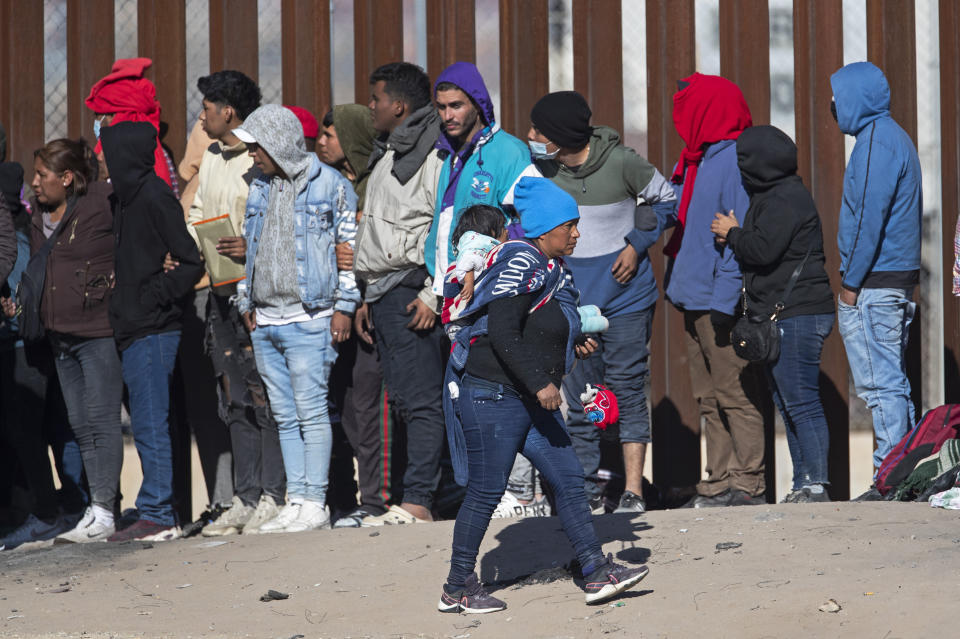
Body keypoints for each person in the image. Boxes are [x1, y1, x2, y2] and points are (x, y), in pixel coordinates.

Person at [438, 177, 648, 614]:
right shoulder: (520, 259)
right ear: (544, 227)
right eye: (569, 225)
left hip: (527, 396)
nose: (577, 233)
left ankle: (594, 570)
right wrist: (541, 383)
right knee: (486, 490)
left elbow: (540, 328)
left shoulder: (550, 268)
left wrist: (573, 344)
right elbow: (502, 332)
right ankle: (458, 585)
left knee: (568, 478)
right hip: (495, 394)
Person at [528, 90, 677, 514]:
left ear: (559, 134)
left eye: (539, 129)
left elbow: (668, 199)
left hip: (628, 299)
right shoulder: (541, 170)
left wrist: (636, 244)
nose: (531, 136)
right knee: (585, 396)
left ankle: (632, 491)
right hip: (574, 305)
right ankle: (588, 487)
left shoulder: (623, 162)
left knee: (628, 389)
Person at [232, 104, 360, 533]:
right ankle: (297, 497)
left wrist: (344, 305)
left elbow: (349, 248)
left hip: (311, 317)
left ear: (277, 143)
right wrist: (246, 300)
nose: (253, 157)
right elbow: (253, 246)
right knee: (283, 415)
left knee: (311, 411)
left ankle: (317, 502)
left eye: (257, 148)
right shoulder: (260, 187)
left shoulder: (332, 185)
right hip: (267, 319)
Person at [179, 71, 287, 537]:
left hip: (258, 294)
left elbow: (277, 216)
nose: (201, 116)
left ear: (228, 111)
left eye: (207, 107)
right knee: (235, 396)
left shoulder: (259, 157)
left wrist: (250, 245)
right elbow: (200, 211)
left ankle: (273, 494)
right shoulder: (215, 157)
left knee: (265, 394)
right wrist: (193, 246)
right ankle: (245, 497)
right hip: (220, 290)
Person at [710, 125, 836, 503]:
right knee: (788, 402)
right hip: (788, 314)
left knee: (801, 401)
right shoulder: (778, 194)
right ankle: (803, 483)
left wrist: (732, 233)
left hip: (797, 314)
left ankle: (815, 484)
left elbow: (763, 250)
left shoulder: (783, 199)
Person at [665, 73, 768, 508]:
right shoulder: (698, 159)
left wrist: (726, 304)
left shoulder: (732, 161)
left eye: (689, 108)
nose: (681, 119)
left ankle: (749, 483)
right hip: (692, 297)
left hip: (717, 302)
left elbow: (734, 242)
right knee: (708, 397)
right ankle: (719, 479)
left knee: (735, 395)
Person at [100, 122, 204, 541]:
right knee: (145, 423)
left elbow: (191, 262)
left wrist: (150, 296)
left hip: (154, 330)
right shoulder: (123, 200)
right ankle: (157, 508)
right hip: (132, 327)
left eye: (106, 150)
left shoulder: (155, 198)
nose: (100, 157)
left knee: (150, 423)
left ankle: (159, 513)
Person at [14, 140, 121, 545]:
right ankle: (95, 508)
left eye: (42, 175)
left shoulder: (101, 201)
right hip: (59, 336)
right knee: (79, 424)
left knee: (102, 420)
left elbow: (133, 236)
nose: (34, 183)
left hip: (96, 331)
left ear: (68, 177)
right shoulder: (38, 214)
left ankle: (107, 511)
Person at [353, 62, 446, 525]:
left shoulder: (432, 156)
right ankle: (422, 497)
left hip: (411, 289)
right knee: (405, 402)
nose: (370, 107)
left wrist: (432, 292)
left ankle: (419, 501)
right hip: (383, 292)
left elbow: (441, 228)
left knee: (424, 399)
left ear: (400, 106)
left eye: (376, 99)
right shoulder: (389, 152)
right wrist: (368, 296)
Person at [830, 62, 922, 476]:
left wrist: (850, 284)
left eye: (838, 96)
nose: (833, 104)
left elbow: (869, 218)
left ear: (857, 98)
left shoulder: (875, 144)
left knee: (881, 387)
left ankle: (889, 474)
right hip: (890, 281)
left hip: (874, 283)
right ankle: (903, 470)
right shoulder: (891, 138)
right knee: (892, 383)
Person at [0, 161, 87, 550]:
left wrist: (13, 313)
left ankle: (51, 511)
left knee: (29, 432)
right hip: (28, 348)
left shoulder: (14, 241)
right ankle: (66, 505)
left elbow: (23, 303)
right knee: (49, 429)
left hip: (22, 349)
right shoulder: (25, 230)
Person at [316, 104, 393, 527]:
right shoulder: (324, 184)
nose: (321, 143)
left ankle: (377, 499)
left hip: (369, 309)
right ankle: (344, 500)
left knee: (369, 405)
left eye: (331, 134)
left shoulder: (374, 185)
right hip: (330, 312)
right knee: (341, 406)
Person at [426, 61, 540, 297]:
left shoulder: (509, 152)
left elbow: (537, 218)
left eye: (456, 106)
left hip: (490, 287)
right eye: (441, 107)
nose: (448, 115)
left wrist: (493, 255)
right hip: (448, 287)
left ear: (477, 105)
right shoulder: (448, 154)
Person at [85, 57, 178, 195]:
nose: (97, 121)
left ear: (113, 116)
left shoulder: (114, 158)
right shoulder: (157, 153)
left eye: (98, 115)